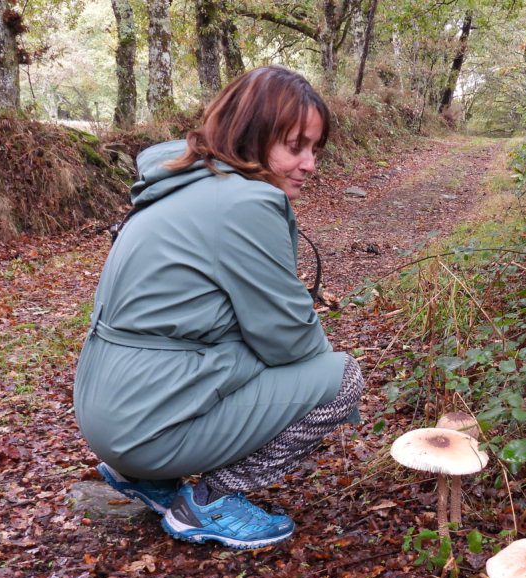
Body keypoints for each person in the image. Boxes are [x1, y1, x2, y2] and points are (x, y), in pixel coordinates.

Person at [73, 66, 363, 550]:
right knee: (339, 379)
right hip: (144, 421)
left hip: (107, 406)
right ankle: (207, 502)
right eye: (295, 146)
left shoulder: (182, 181)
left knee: (254, 347)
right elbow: (290, 337)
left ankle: (144, 477)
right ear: (251, 135)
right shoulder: (244, 202)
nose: (309, 163)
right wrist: (317, 381)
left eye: (315, 149)